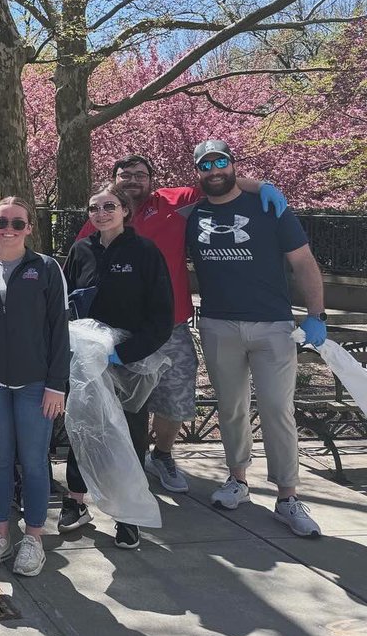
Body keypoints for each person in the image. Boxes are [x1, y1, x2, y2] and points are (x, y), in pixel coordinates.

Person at [77, 154, 287, 495]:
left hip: (169, 326)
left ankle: (161, 455)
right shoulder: (102, 214)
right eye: (124, 174)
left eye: (140, 174)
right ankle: (122, 460)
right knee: (116, 400)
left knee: (176, 397)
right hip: (117, 332)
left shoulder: (176, 202)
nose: (132, 180)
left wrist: (260, 186)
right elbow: (81, 262)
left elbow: (220, 184)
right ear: (113, 180)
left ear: (152, 180)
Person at [184, 140, 326, 537]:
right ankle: (237, 480)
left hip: (272, 326)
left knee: (278, 410)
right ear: (198, 171)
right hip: (217, 324)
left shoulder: (268, 207)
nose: (214, 170)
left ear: (233, 163)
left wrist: (316, 315)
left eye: (221, 162)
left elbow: (303, 261)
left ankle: (287, 497)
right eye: (205, 164)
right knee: (231, 409)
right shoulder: (192, 212)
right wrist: (254, 181)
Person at [0, 197, 69, 578]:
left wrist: (57, 385)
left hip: (36, 384)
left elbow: (59, 331)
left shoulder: (47, 269)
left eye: (17, 223)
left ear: (29, 228)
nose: (9, 229)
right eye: (2, 222)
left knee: (35, 462)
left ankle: (33, 539)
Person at [60, 185, 173, 550]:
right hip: (85, 362)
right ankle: (76, 502)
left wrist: (125, 354)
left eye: (109, 206)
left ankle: (127, 514)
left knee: (130, 435)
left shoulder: (144, 252)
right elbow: (64, 304)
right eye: (94, 208)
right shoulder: (81, 251)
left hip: (130, 363)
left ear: (125, 210)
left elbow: (161, 316)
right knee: (83, 427)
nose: (101, 213)